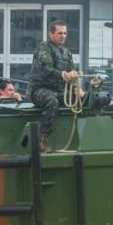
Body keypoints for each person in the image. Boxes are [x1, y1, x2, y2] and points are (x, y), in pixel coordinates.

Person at [27, 20, 82, 152]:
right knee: (52, 101)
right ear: (51, 34)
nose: (63, 36)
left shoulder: (67, 53)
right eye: (59, 33)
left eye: (65, 33)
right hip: (39, 89)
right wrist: (64, 74)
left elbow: (71, 72)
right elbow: (46, 70)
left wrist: (76, 87)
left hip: (59, 90)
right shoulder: (44, 48)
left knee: (81, 99)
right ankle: (41, 139)